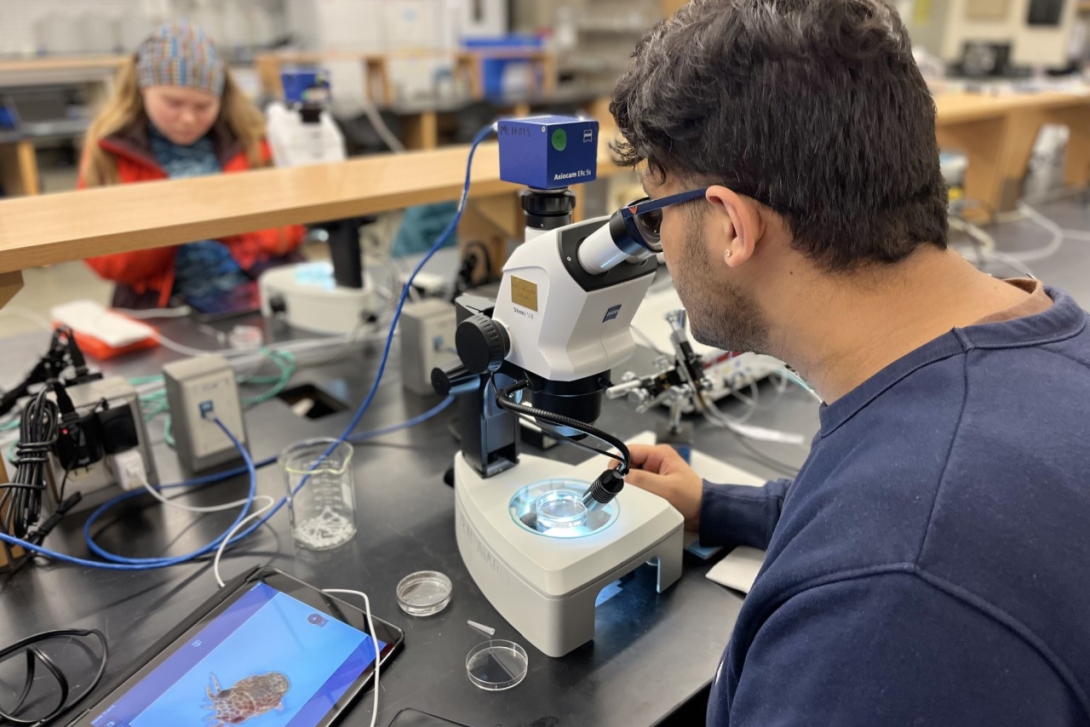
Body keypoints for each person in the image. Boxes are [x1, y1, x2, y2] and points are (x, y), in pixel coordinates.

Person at [610, 1, 1090, 724]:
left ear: (731, 225)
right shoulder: (1035, 336)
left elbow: (896, 544)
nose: (661, 247)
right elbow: (866, 500)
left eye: (655, 217)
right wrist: (714, 505)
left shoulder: (888, 605)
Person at [80, 21, 305, 309]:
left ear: (221, 100)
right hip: (163, 308)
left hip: (259, 291)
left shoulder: (250, 140)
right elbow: (108, 263)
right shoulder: (108, 151)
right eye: (173, 103)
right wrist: (170, 226)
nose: (188, 118)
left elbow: (290, 233)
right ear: (142, 88)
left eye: (203, 106)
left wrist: (229, 223)